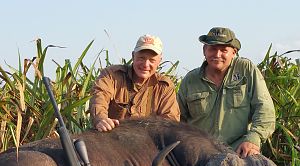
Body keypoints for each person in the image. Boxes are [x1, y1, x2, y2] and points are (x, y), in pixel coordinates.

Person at [177, 27, 276, 158]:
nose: (217, 55)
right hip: (198, 154)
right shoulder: (190, 79)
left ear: (234, 52)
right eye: (212, 49)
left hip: (239, 151)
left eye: (224, 50)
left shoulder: (246, 69)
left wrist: (253, 139)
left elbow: (265, 109)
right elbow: (177, 118)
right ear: (204, 51)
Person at [89, 34, 180, 132]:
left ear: (159, 61)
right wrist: (101, 119)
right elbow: (99, 98)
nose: (146, 65)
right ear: (133, 56)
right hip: (112, 138)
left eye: (152, 60)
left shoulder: (164, 87)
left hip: (147, 142)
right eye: (141, 58)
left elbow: (170, 121)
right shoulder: (111, 76)